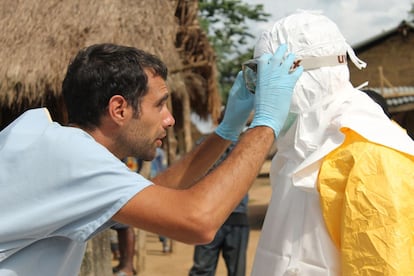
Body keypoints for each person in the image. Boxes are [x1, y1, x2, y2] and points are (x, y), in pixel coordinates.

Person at [0, 43, 302, 275]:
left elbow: (163, 194)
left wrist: (225, 131)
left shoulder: (53, 146)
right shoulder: (72, 157)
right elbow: (198, 221)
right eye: (159, 105)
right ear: (119, 109)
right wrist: (264, 125)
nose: (169, 119)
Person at [247, 10, 414, 275]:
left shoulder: (373, 157)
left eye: (268, 77)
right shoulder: (299, 152)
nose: (260, 92)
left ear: (305, 76)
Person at [189, 142, 249, 276]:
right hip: (209, 218)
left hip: (236, 218)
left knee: (237, 271)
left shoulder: (245, 145)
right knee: (202, 270)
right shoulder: (205, 144)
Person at [111, 157, 142, 276]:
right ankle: (123, 263)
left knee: (125, 227)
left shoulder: (131, 151)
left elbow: (131, 171)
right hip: (120, 188)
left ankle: (128, 266)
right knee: (120, 228)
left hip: (125, 190)